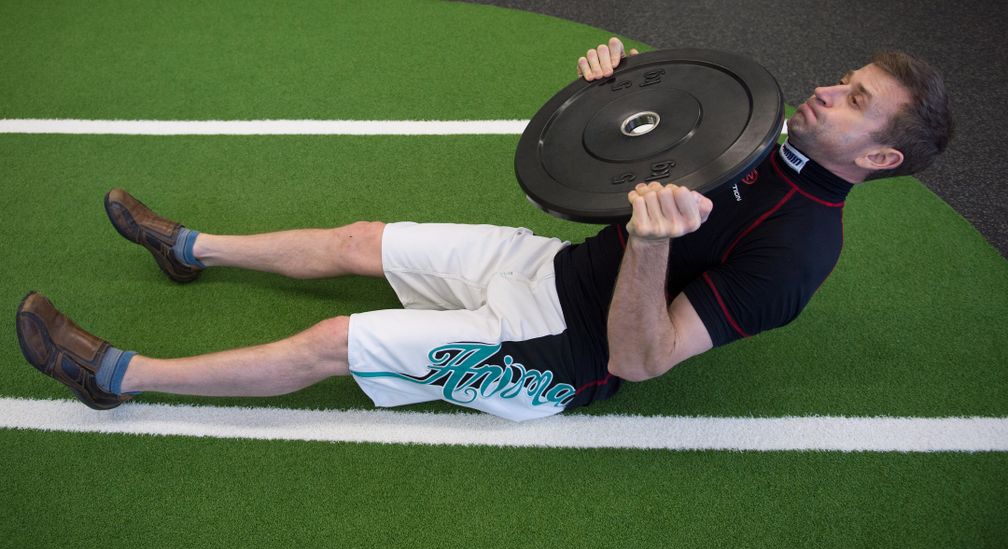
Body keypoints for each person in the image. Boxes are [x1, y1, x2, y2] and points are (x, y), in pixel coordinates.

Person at [16, 38, 952, 422]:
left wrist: (655, 243)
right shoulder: (761, 141)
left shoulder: (800, 255)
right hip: (557, 269)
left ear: (878, 158)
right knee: (360, 238)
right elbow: (649, 128)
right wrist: (613, 86)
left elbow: (646, 356)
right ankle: (189, 250)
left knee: (338, 341)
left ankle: (113, 377)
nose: (830, 88)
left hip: (563, 353)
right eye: (846, 77)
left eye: (856, 99)